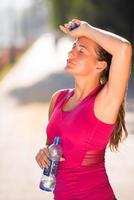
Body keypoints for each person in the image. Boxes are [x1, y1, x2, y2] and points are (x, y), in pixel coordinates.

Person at [35, 19, 132, 200]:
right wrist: (44, 152)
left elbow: (123, 49)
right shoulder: (58, 98)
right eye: (73, 47)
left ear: (100, 65)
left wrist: (87, 29)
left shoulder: (104, 103)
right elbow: (53, 144)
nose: (72, 52)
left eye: (81, 51)